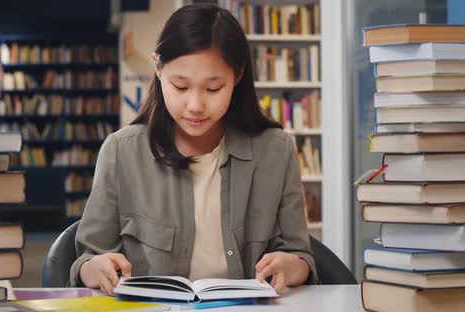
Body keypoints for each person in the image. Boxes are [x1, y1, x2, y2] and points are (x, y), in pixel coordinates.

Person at [69, 4, 317, 295]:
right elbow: (86, 259)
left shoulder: (277, 151)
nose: (196, 105)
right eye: (180, 86)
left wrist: (291, 266)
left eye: (213, 89)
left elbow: (302, 257)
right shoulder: (121, 151)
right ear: (158, 68)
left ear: (237, 77)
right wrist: (94, 267)